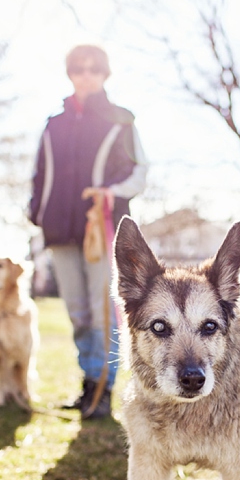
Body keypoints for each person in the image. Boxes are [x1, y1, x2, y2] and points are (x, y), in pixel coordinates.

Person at [29, 45, 148, 419]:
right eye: (78, 68)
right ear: (70, 73)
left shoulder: (122, 120)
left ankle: (104, 388)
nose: (86, 74)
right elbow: (39, 174)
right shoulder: (53, 124)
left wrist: (110, 193)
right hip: (59, 231)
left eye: (94, 68)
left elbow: (139, 172)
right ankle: (87, 383)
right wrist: (37, 212)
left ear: (104, 73)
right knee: (78, 312)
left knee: (102, 312)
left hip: (102, 227)